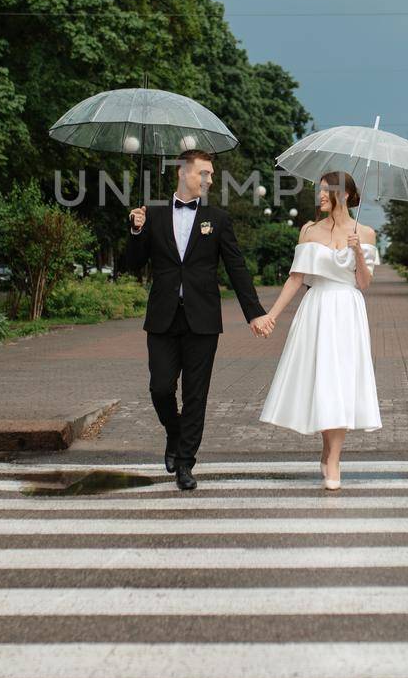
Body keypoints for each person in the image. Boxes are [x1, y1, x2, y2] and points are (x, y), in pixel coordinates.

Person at [120, 149, 268, 491]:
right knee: (160, 388)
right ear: (183, 173)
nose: (210, 179)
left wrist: (254, 313)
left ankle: (186, 463)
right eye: (205, 173)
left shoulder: (217, 218)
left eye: (211, 174)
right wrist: (136, 230)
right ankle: (174, 432)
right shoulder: (153, 214)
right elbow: (131, 264)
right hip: (162, 318)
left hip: (202, 320)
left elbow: (237, 268)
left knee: (196, 396)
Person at [255, 171, 381, 490]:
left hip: (348, 310)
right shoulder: (309, 230)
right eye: (319, 191)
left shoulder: (365, 233)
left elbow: (364, 283)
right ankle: (328, 449)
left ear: (347, 195)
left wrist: (356, 253)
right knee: (324, 382)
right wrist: (271, 315)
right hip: (317, 309)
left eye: (327, 191)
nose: (320, 196)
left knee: (340, 383)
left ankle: (334, 459)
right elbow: (296, 278)